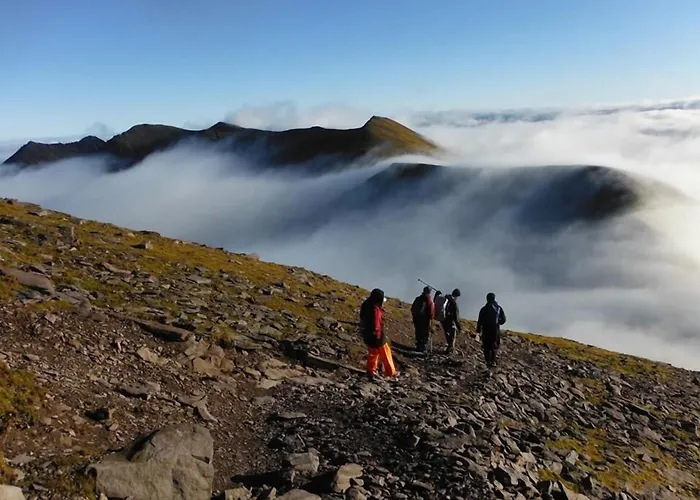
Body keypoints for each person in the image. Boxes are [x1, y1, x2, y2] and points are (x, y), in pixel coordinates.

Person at [359, 288, 398, 378]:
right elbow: (376, 323)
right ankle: (391, 372)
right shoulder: (375, 309)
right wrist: (378, 334)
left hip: (367, 333)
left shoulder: (366, 304)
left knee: (373, 352)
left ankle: (371, 370)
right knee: (386, 352)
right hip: (377, 335)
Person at [476, 292, 506, 367]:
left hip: (486, 330)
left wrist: (478, 330)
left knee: (486, 345)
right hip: (495, 330)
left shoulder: (484, 309)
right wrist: (498, 323)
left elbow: (480, 320)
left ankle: (487, 361)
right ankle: (493, 361)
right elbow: (503, 319)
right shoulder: (498, 308)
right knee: (494, 345)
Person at [411, 286, 434, 352]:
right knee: (425, 334)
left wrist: (414, 317)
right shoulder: (429, 299)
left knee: (418, 332)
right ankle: (423, 348)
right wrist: (431, 318)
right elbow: (431, 311)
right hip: (425, 320)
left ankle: (418, 346)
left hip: (417, 319)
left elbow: (412, 308)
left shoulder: (418, 298)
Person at [440, 288, 462, 354]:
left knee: (447, 334)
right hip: (450, 322)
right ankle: (450, 350)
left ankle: (449, 348)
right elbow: (455, 317)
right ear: (457, 296)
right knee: (452, 335)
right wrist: (459, 326)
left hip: (443, 320)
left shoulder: (445, 299)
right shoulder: (454, 303)